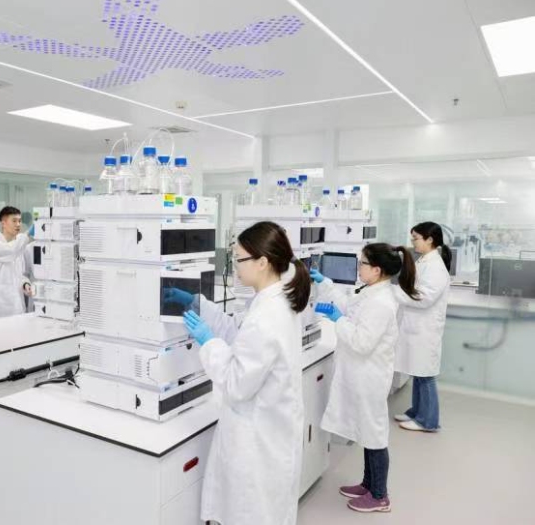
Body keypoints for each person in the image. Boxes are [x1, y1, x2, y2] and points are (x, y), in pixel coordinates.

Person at [167, 221, 310, 525]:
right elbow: (238, 332)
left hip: (259, 438)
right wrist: (196, 303)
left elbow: (236, 383)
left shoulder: (267, 316)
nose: (235, 266)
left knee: (250, 512)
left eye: (239, 259)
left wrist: (209, 342)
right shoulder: (273, 300)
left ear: (262, 262)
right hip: (271, 428)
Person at [311, 243, 419, 513]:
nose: (358, 267)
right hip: (361, 375)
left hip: (370, 377)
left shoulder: (381, 302)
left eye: (362, 263)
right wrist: (325, 283)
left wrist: (338, 320)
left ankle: (380, 496)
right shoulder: (371, 292)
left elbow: (362, 342)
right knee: (367, 432)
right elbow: (349, 306)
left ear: (377, 270)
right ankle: (368, 484)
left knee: (374, 435)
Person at [394, 222, 451, 432]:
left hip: (425, 330)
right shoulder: (424, 260)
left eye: (416, 238)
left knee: (425, 375)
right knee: (418, 372)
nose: (413, 242)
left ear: (430, 239)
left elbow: (424, 298)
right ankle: (417, 413)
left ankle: (428, 421)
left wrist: (395, 293)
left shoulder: (435, 266)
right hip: (417, 328)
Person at [0, 206, 34, 319]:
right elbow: (11, 251)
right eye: (14, 221)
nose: (18, 224)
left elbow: (20, 275)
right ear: (3, 223)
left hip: (17, 307)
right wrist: (27, 234)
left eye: (20, 221)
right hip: (1, 309)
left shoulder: (19, 247)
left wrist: (25, 284)